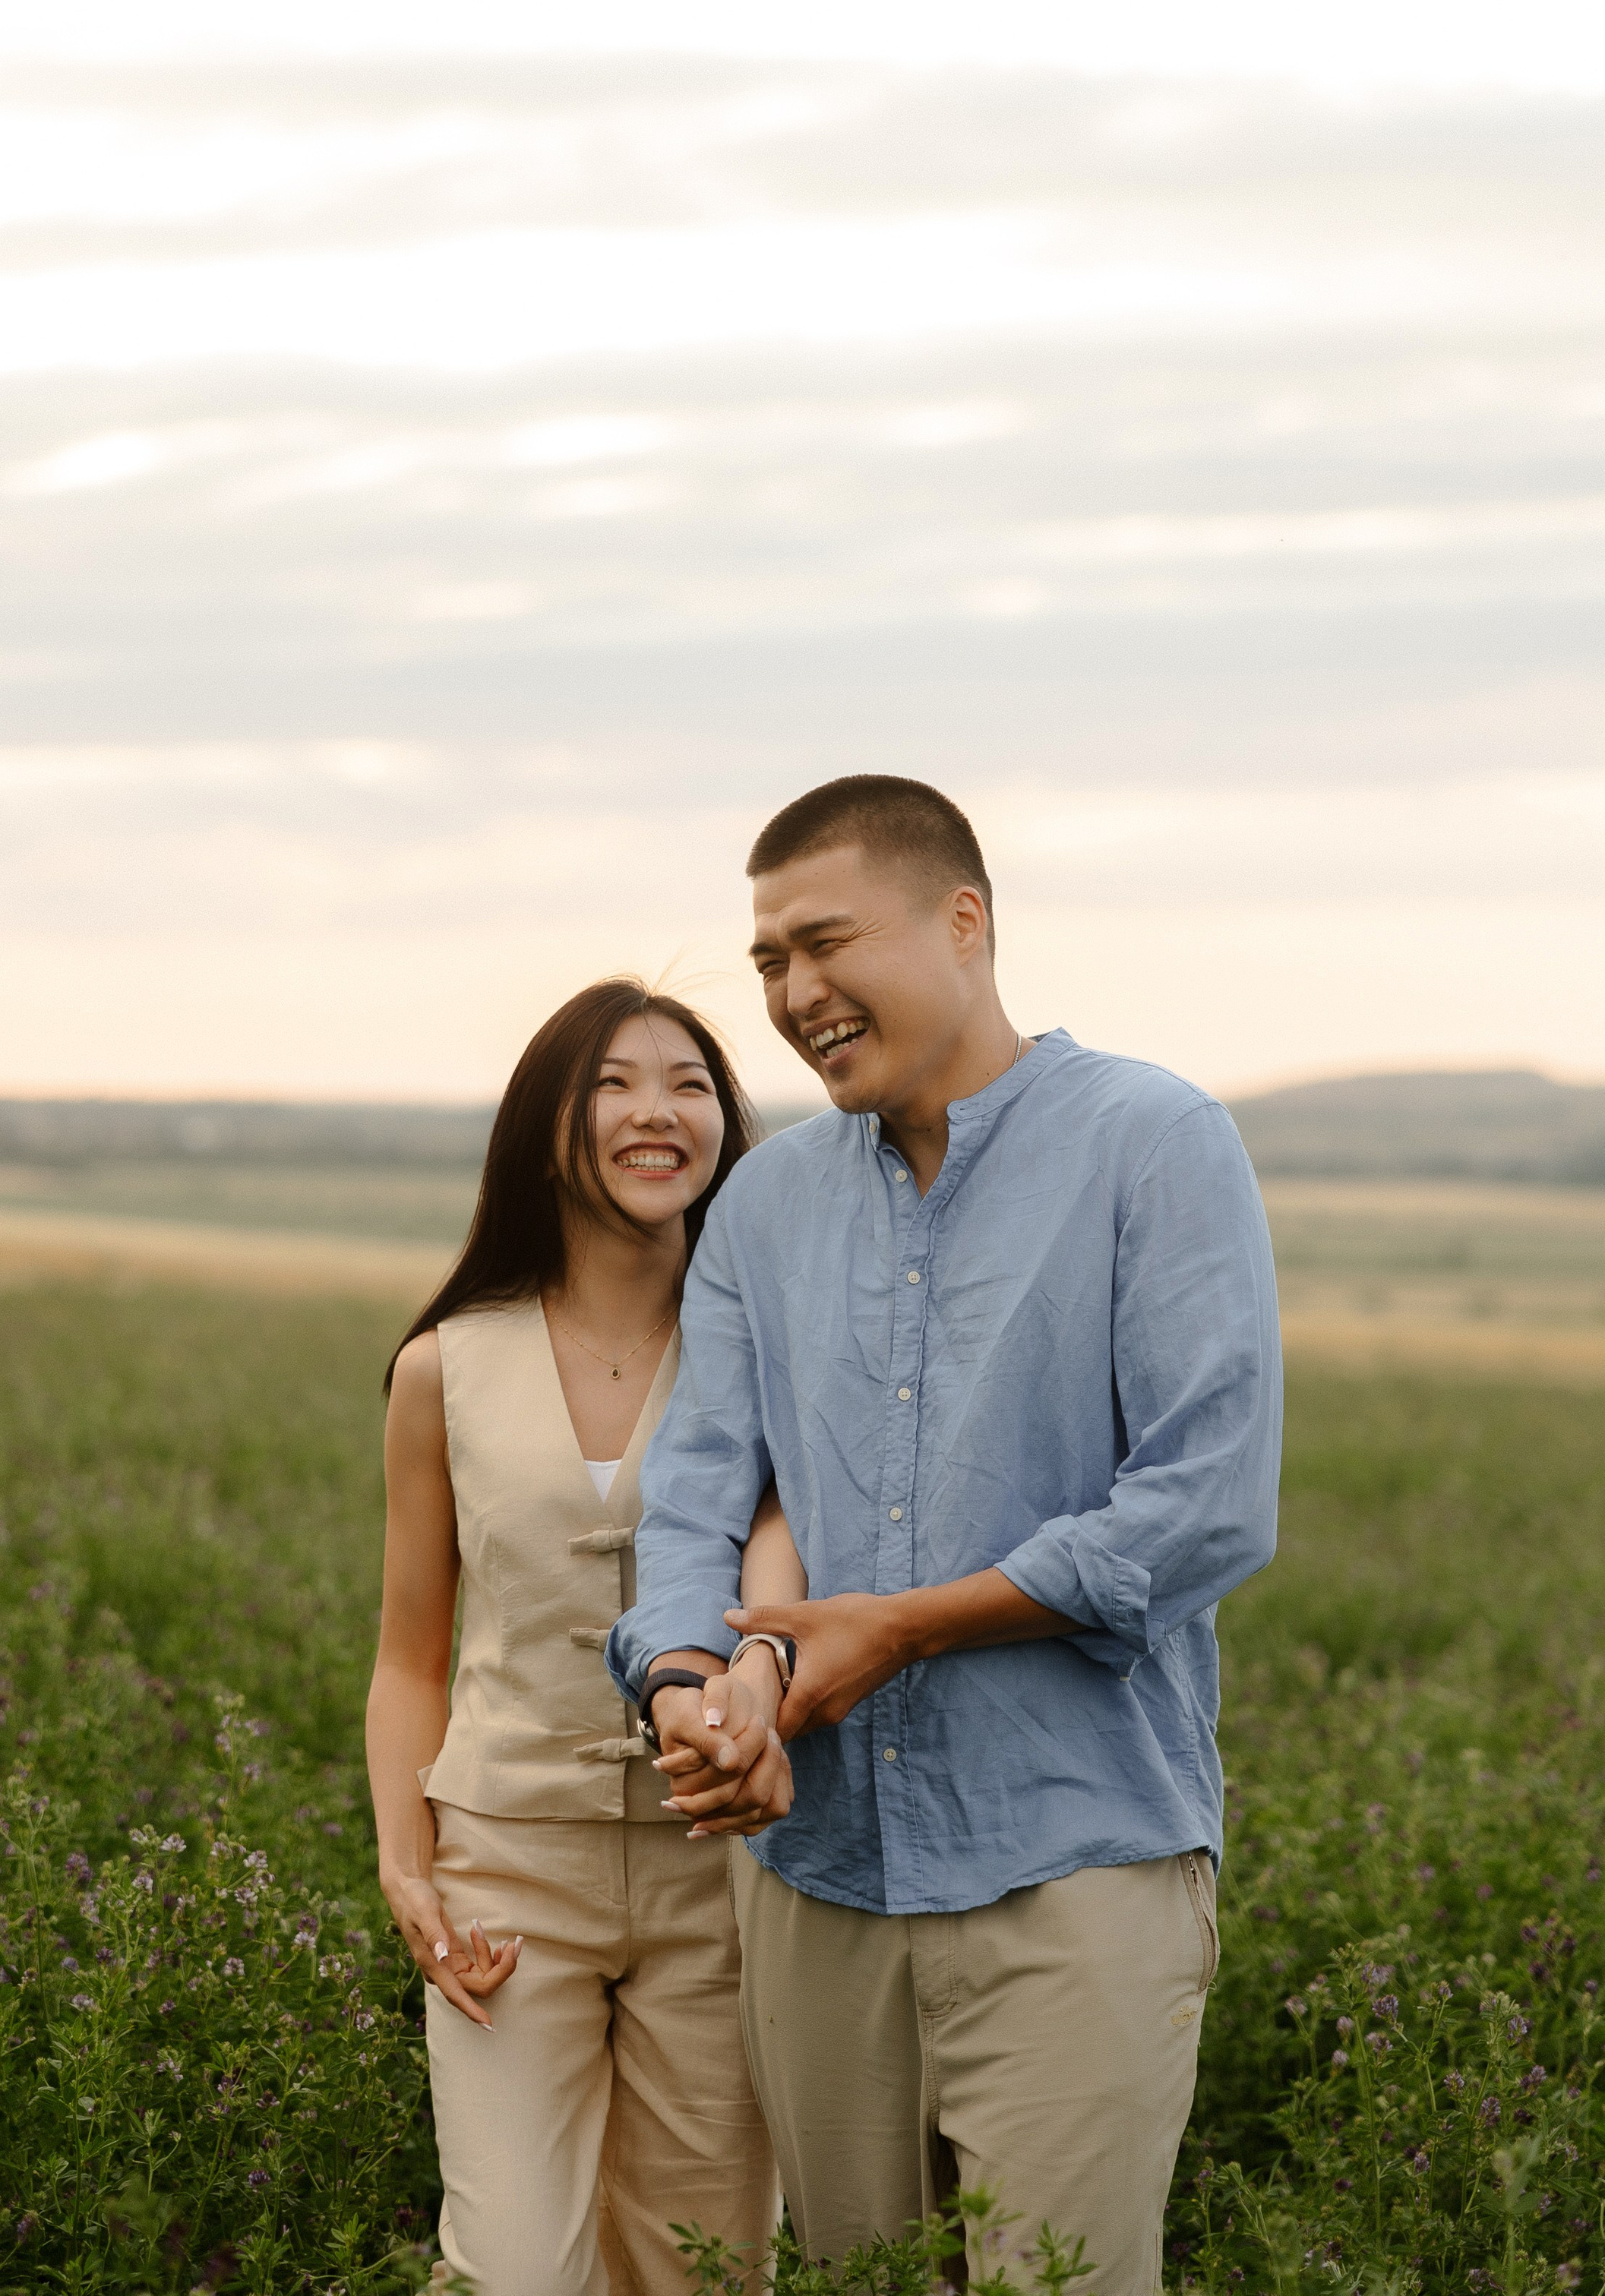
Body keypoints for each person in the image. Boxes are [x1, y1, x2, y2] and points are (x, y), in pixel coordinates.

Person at [607, 776, 1283, 2294]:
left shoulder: (1153, 1141)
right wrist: (685, 1687)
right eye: (769, 960)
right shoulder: (766, 1206)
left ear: (963, 922)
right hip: (814, 1876)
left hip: (1074, 1865)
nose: (794, 991)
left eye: (825, 941)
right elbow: (696, 1499)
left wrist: (906, 1628)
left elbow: (1206, 1502)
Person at [366, 981, 786, 2296]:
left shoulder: (776, 1356)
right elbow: (409, 1655)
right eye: (613, 1084)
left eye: (689, 1085)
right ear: (544, 1125)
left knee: (704, 2268)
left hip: (724, 1881)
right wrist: (405, 1863)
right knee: (512, 2271)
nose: (657, 1112)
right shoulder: (443, 1367)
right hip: (506, 1874)